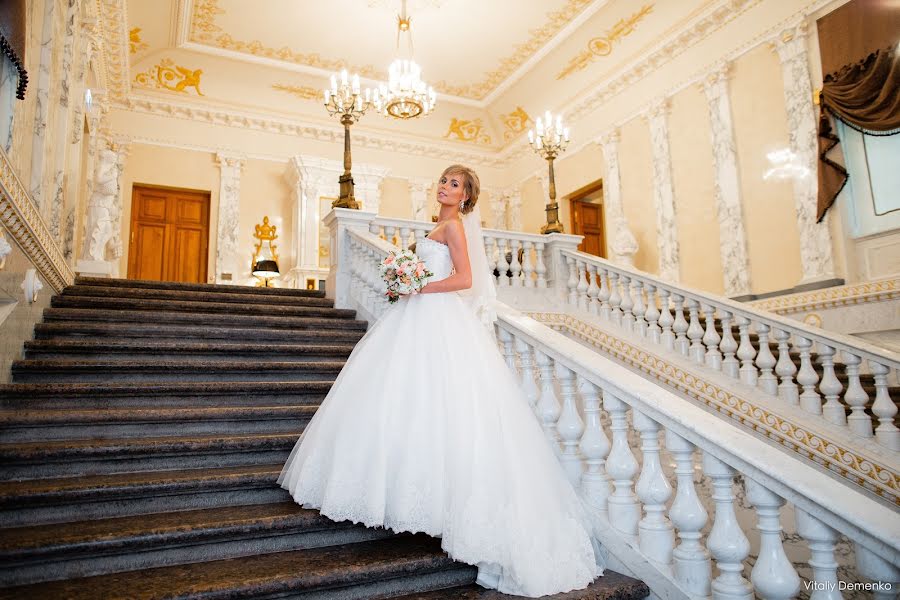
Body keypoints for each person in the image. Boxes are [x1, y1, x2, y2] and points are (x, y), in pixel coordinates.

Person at [278, 165, 604, 597]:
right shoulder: (439, 225)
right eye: (443, 181)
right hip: (417, 317)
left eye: (454, 184)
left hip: (436, 316)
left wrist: (420, 286)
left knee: (442, 404)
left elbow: (467, 279)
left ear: (466, 196)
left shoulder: (453, 227)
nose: (444, 187)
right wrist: (408, 281)